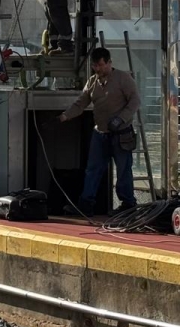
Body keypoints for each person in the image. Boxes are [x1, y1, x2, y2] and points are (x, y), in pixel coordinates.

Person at [59, 47, 141, 215]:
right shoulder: (92, 82)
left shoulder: (123, 79)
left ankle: (128, 204)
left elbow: (135, 100)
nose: (98, 69)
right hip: (101, 133)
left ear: (109, 63)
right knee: (93, 170)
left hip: (121, 133)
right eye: (95, 66)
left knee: (123, 170)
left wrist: (121, 119)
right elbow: (81, 103)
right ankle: (86, 204)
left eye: (101, 65)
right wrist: (66, 116)